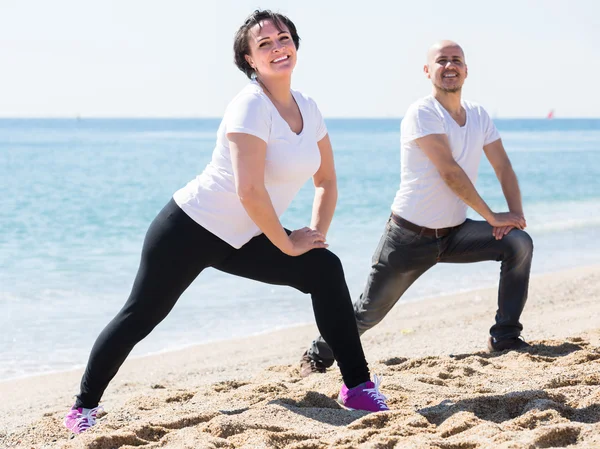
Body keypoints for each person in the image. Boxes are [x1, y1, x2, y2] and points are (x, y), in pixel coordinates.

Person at [64, 10, 389, 434]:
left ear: (295, 45)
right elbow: (249, 191)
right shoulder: (250, 106)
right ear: (249, 59)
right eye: (265, 44)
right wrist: (288, 244)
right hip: (190, 228)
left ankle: (357, 386)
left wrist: (314, 236)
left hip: (249, 232)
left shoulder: (308, 108)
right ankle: (82, 407)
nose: (278, 48)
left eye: (283, 38)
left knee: (324, 268)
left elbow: (326, 181)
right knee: (141, 315)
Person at [300, 40, 534, 377]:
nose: (450, 66)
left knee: (518, 244)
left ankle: (505, 336)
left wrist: (514, 217)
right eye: (442, 61)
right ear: (428, 71)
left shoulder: (479, 115)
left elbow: (504, 167)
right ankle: (318, 354)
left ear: (467, 70)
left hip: (455, 234)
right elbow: (450, 172)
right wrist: (491, 216)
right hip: (409, 238)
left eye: (456, 60)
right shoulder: (423, 113)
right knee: (369, 311)